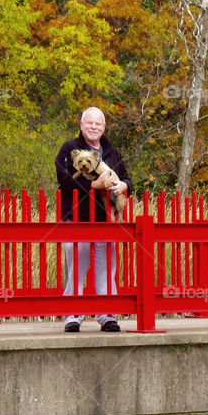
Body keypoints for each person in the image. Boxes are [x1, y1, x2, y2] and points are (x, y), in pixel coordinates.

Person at [54, 107, 132, 332]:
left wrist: (124, 185)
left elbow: (127, 179)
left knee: (106, 270)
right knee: (76, 269)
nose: (94, 127)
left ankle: (107, 315)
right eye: (90, 123)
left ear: (104, 127)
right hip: (76, 219)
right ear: (81, 125)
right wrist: (92, 185)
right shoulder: (69, 148)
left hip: (106, 220)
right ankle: (72, 316)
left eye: (98, 124)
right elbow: (63, 177)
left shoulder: (112, 153)